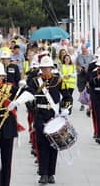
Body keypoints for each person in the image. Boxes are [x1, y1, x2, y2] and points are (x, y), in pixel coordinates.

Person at [24, 56, 70, 184]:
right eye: (43, 68)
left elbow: (67, 97)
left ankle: (51, 173)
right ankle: (43, 173)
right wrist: (33, 111)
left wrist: (66, 109)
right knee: (41, 144)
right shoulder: (34, 81)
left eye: (47, 68)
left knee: (53, 144)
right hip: (40, 115)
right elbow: (28, 97)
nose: (45, 70)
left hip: (53, 115)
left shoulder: (58, 80)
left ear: (51, 68)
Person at [76, 45, 95, 111]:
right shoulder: (79, 57)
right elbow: (77, 65)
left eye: (85, 48)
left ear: (87, 49)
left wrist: (89, 70)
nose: (84, 50)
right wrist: (79, 68)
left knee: (88, 89)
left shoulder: (91, 57)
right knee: (81, 89)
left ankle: (88, 105)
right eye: (82, 49)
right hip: (81, 74)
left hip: (88, 74)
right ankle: (82, 105)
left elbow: (93, 65)